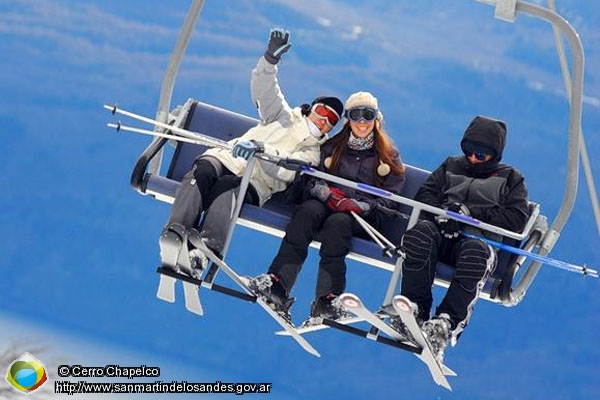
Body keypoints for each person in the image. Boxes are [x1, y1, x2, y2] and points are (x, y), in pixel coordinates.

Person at [159, 28, 344, 277]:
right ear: (312, 108)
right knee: (202, 172)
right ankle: (176, 232)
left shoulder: (312, 153)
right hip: (228, 157)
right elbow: (265, 90)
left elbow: (287, 169)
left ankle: (205, 249)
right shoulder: (281, 116)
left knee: (227, 186)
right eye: (322, 112)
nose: (323, 121)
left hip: (254, 183)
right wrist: (270, 60)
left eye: (331, 120)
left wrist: (262, 150)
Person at [248, 91, 406, 322]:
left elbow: (391, 197)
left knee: (337, 225)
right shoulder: (333, 147)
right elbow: (312, 175)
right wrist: (325, 192)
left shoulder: (387, 157)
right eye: (355, 115)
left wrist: (361, 205)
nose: (362, 122)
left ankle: (328, 298)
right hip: (327, 203)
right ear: (348, 120)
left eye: (368, 115)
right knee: (307, 213)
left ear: (376, 119)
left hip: (358, 216)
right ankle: (278, 284)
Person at [394, 115, 530, 362]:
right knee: (419, 236)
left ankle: (446, 323)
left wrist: (470, 215)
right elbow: (426, 194)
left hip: (477, 240)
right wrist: (444, 213)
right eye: (469, 151)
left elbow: (516, 218)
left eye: (481, 154)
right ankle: (416, 307)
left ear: (495, 154)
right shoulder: (451, 165)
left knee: (475, 256)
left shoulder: (511, 179)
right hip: (441, 230)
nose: (473, 158)